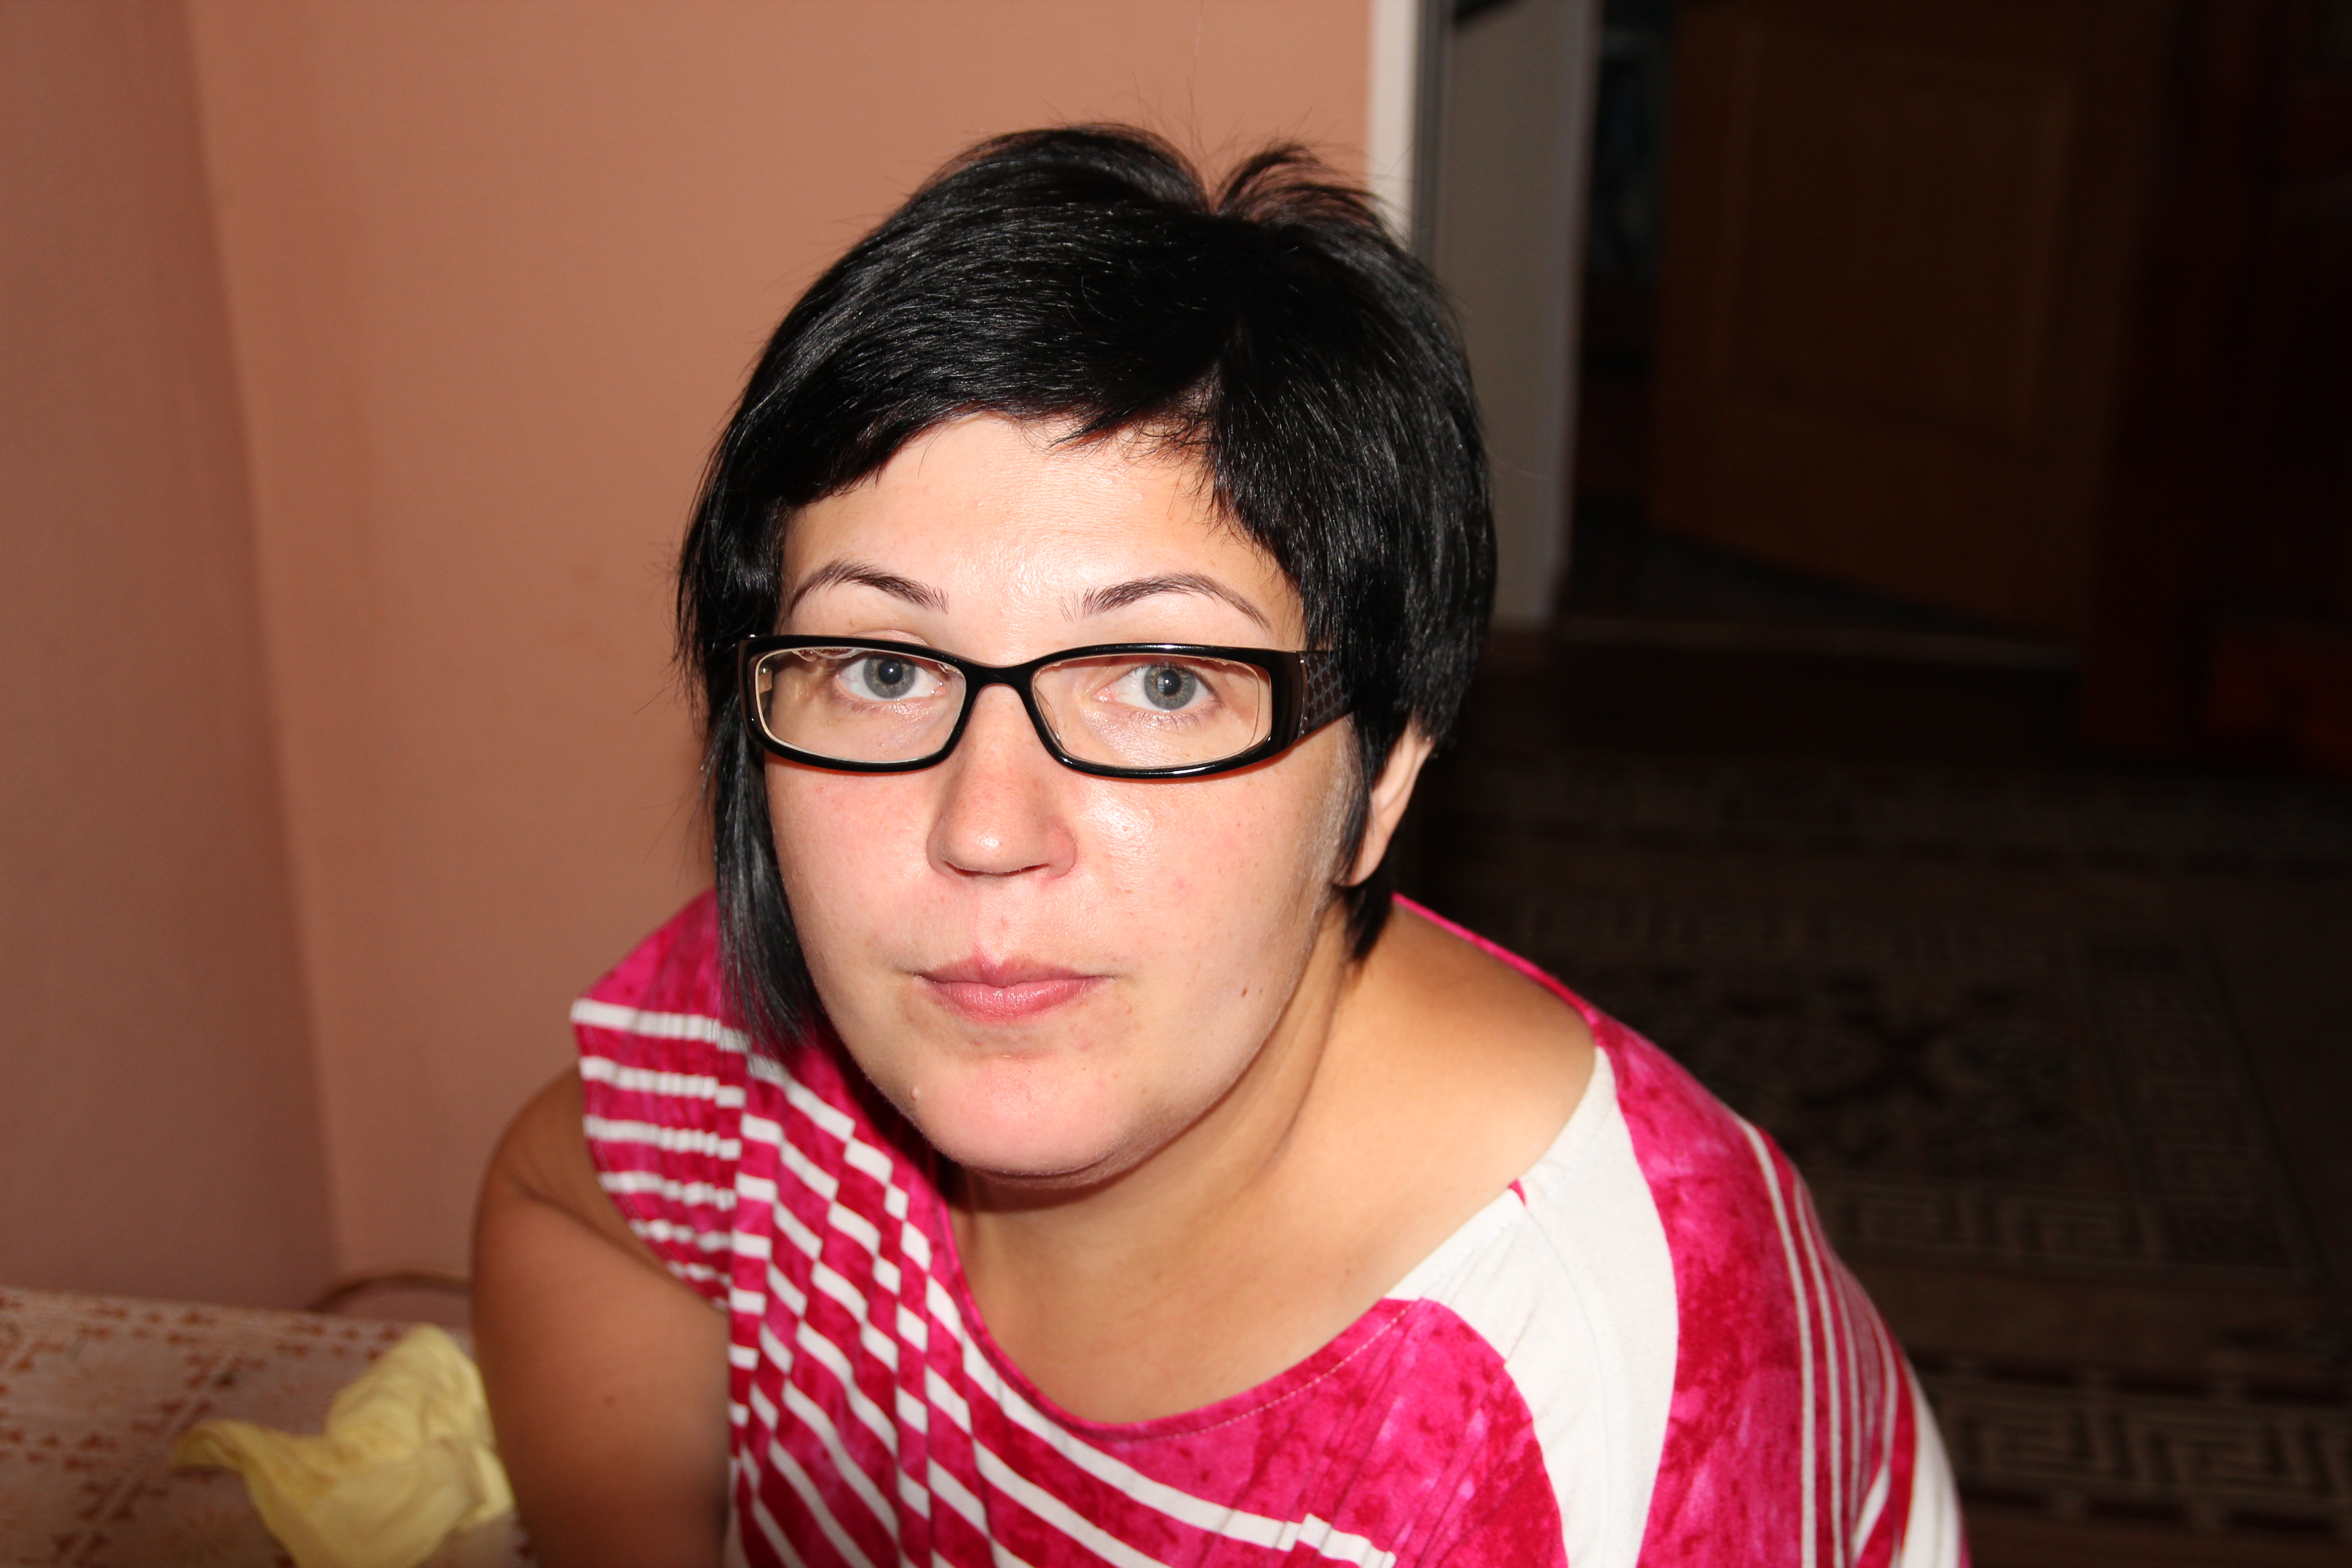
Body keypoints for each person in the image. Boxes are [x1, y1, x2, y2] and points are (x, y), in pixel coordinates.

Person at [472, 126, 1963, 1568]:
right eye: (884, 668)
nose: (982, 830)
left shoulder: (1573, 1412)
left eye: (1164, 684)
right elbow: (569, 1212)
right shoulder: (821, 1015)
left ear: (1379, 781)